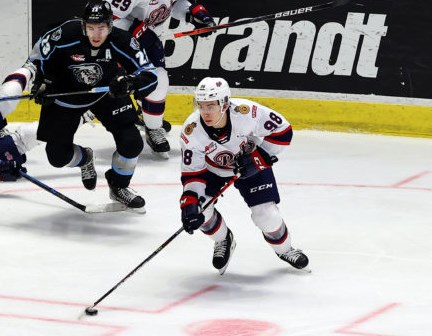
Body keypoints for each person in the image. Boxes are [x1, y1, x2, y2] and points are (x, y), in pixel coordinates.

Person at [28, 0, 158, 211]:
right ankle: (85, 158)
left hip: (107, 92)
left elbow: (151, 75)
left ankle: (119, 186)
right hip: (66, 94)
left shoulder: (121, 40)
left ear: (110, 25)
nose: (96, 35)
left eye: (101, 28)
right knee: (57, 157)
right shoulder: (65, 34)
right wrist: (43, 82)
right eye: (90, 28)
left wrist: (130, 83)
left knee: (132, 142)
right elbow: (39, 57)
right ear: (83, 26)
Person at [179, 77, 309, 275]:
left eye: (211, 106)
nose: (205, 112)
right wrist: (189, 203)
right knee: (201, 211)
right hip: (213, 170)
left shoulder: (248, 113)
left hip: (253, 166)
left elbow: (283, 131)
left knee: (267, 217)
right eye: (201, 105)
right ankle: (223, 239)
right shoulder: (191, 131)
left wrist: (258, 159)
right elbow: (192, 173)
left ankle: (285, 250)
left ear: (224, 103)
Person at [109, 0, 215, 157]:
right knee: (106, 88)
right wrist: (138, 31)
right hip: (120, 43)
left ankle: (153, 128)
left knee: (158, 80)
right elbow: (109, 18)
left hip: (147, 42)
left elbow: (174, 3)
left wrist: (192, 14)